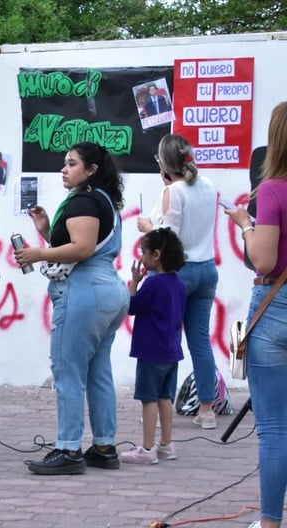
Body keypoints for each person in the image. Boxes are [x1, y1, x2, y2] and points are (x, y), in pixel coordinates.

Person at [16, 141, 130, 475]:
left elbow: (81, 248)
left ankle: (68, 448)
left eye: (72, 164)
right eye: (65, 163)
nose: (64, 169)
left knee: (67, 371)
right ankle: (104, 446)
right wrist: (47, 230)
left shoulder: (85, 200)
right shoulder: (104, 199)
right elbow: (82, 243)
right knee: (98, 372)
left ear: (92, 170)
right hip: (108, 290)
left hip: (84, 291)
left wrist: (38, 253)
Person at [221, 101, 287, 528]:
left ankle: (268, 527)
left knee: (276, 428)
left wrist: (246, 224)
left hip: (276, 304)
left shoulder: (272, 191)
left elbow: (262, 260)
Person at [137, 133, 220, 429]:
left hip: (180, 273)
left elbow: (168, 238)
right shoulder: (208, 185)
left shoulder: (173, 192)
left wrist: (147, 226)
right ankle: (207, 408)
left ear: (163, 163)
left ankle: (163, 408)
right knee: (200, 341)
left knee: (166, 340)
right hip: (207, 269)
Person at [119, 228, 187, 465]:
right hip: (171, 350)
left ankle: (147, 448)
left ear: (156, 255)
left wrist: (134, 283)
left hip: (150, 351)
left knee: (148, 398)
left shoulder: (153, 283)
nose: (142, 257)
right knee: (165, 397)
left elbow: (132, 307)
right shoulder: (178, 283)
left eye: (144, 252)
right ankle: (166, 445)